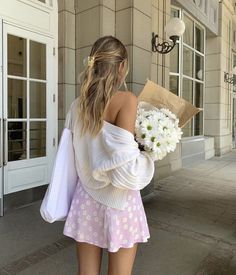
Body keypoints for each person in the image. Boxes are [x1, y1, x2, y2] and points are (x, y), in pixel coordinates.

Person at [63, 36, 156, 275]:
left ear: (92, 63)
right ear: (122, 66)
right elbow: (126, 170)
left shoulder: (76, 106)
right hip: (119, 202)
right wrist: (149, 155)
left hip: (86, 198)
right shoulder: (127, 100)